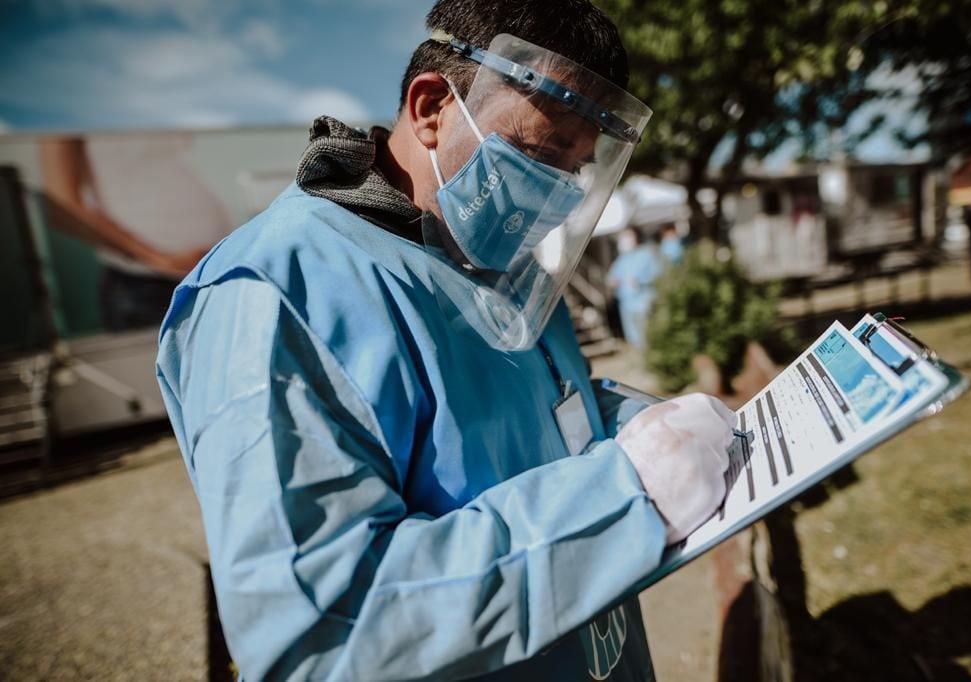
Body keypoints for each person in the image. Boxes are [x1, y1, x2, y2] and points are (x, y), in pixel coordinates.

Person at [157, 1, 736, 679]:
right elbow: (322, 630)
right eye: (539, 153)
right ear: (432, 106)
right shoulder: (273, 290)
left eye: (575, 169)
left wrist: (640, 423)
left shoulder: (501, 263)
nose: (558, 192)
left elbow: (528, 409)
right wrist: (626, 495)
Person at [39, 135, 226, 330]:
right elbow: (63, 208)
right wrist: (158, 260)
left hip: (211, 275)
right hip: (146, 284)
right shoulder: (64, 109)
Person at [608, 227, 662, 349]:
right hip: (626, 305)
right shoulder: (621, 260)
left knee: (648, 336)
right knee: (634, 338)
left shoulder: (646, 255)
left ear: (636, 238)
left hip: (644, 303)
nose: (625, 241)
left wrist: (642, 281)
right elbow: (612, 276)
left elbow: (657, 274)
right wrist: (613, 281)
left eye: (628, 237)